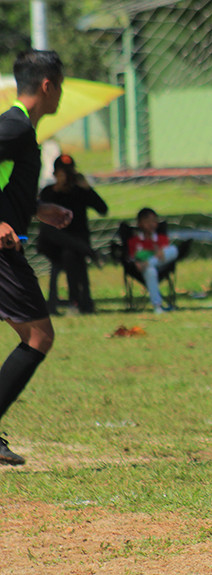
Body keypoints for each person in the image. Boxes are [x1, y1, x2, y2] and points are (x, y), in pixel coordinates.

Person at [0, 50, 72, 466]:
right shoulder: (14, 127)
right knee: (39, 336)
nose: (60, 94)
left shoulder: (19, 129)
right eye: (59, 85)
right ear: (48, 85)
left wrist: (38, 208)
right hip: (2, 254)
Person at [38, 154, 108, 314]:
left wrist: (88, 189)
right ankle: (92, 254)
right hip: (53, 245)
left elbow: (103, 209)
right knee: (57, 236)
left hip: (75, 246)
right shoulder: (49, 192)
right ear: (55, 174)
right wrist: (58, 189)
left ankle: (76, 303)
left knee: (71, 253)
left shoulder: (80, 192)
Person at [127, 207, 179, 314]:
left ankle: (148, 263)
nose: (151, 224)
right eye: (147, 222)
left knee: (173, 250)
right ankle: (157, 306)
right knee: (150, 271)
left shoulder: (161, 238)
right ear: (140, 224)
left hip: (161, 264)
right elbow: (133, 257)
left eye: (154, 221)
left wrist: (158, 251)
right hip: (143, 269)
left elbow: (165, 254)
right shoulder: (134, 241)